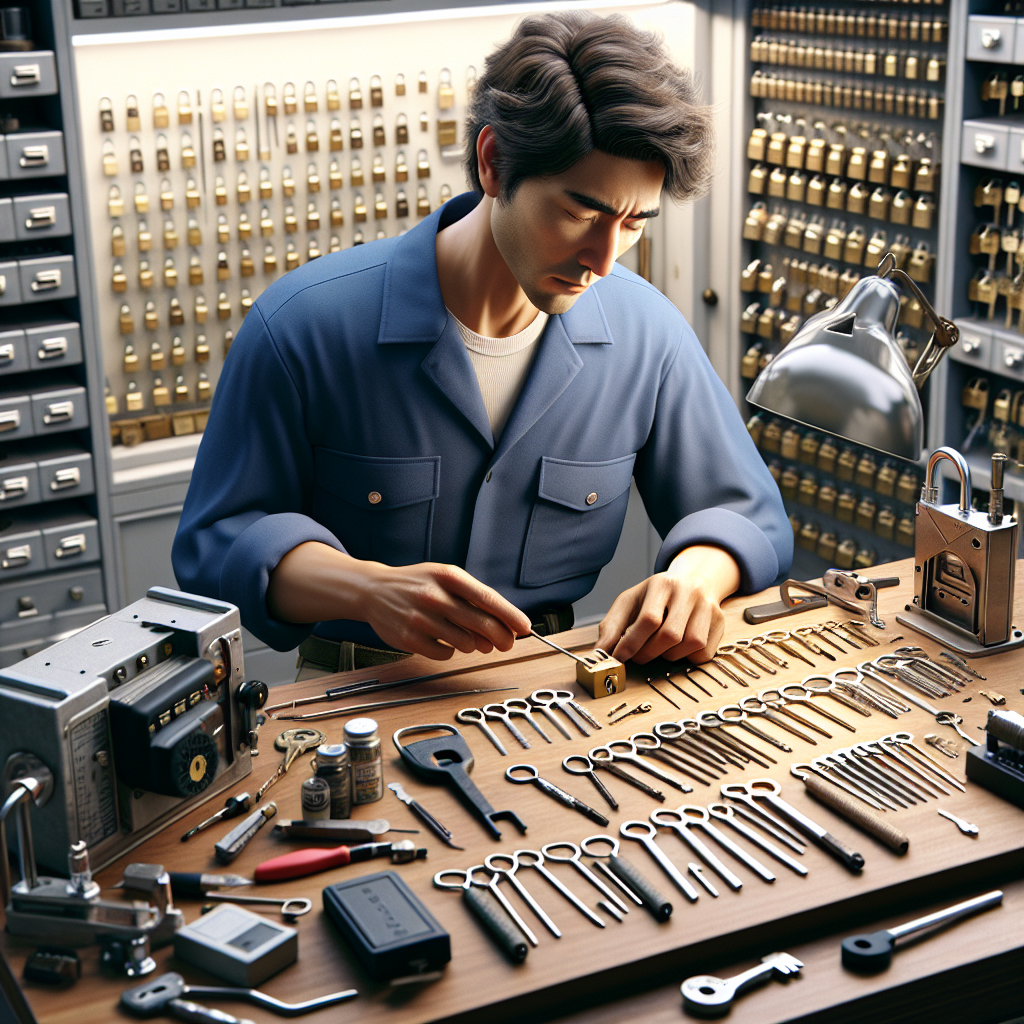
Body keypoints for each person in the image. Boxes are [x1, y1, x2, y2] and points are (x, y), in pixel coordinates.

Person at [172, 11, 792, 677]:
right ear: (494, 162)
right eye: (580, 214)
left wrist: (696, 580)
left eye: (634, 222)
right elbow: (216, 548)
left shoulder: (650, 335)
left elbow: (745, 513)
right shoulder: (301, 328)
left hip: (556, 693)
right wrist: (366, 589)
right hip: (351, 702)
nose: (605, 260)